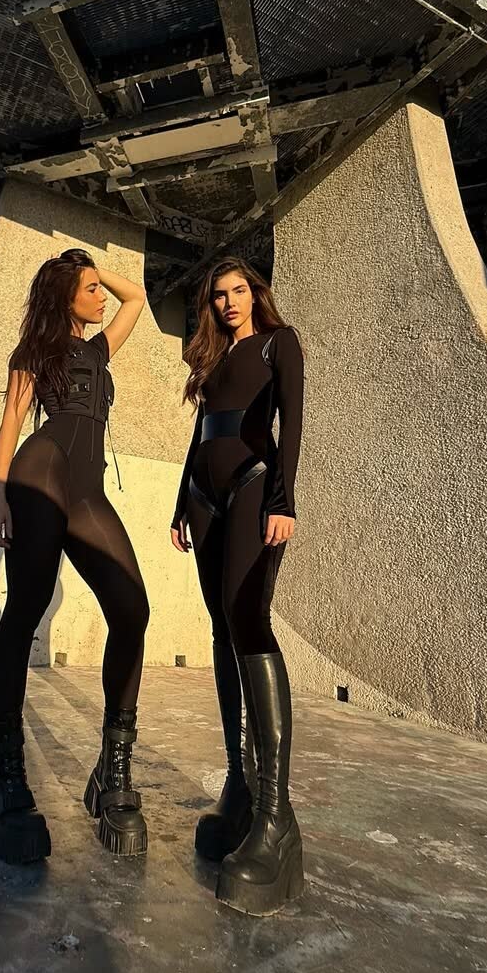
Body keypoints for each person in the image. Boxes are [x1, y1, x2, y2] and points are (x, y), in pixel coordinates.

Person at [0, 249, 151, 864]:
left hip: (87, 492)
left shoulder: (99, 350)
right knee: (25, 607)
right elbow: (11, 424)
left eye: (98, 288)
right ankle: (6, 777)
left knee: (132, 610)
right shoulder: (36, 351)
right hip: (41, 471)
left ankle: (112, 768)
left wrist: (91, 266)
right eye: (89, 289)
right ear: (64, 297)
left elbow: (137, 297)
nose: (101, 296)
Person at [170, 258, 305, 915]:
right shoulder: (211, 359)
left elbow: (292, 425)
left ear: (255, 293)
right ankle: (240, 789)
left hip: (255, 484)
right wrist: (180, 503)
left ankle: (278, 819)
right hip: (203, 495)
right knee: (221, 629)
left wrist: (284, 500)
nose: (228, 302)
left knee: (248, 618)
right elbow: (200, 434)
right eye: (218, 295)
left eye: (238, 291)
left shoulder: (280, 343)